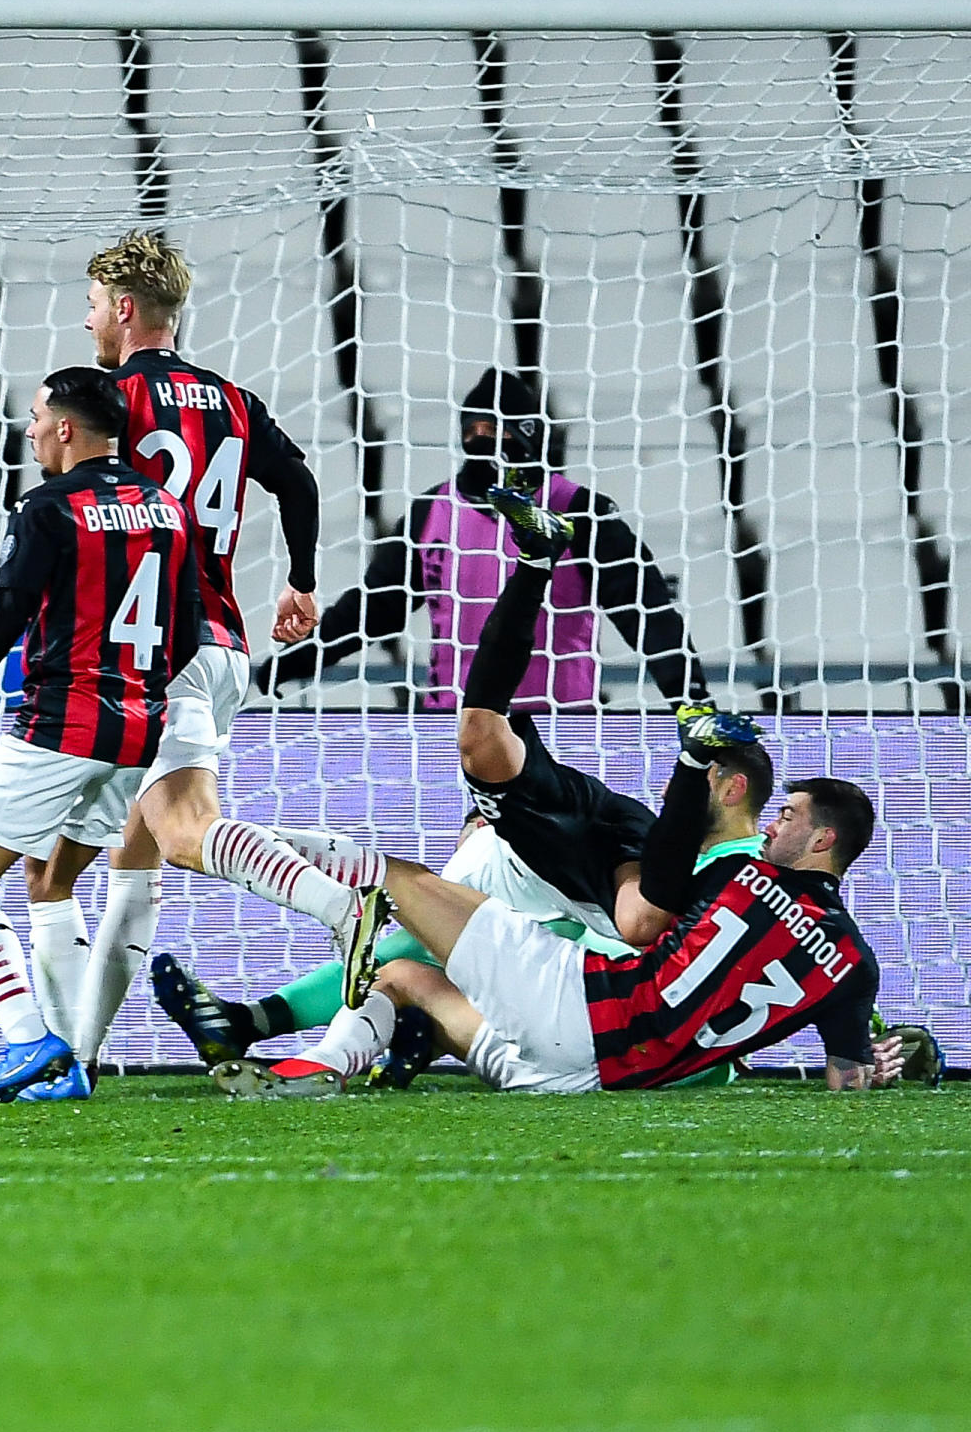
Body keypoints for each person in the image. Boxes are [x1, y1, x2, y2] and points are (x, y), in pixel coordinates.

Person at [155, 488, 763, 1081]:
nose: (784, 820)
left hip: (578, 923)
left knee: (419, 945)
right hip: (568, 880)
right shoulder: (733, 870)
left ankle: (302, 1029)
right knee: (477, 749)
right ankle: (537, 561)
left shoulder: (748, 875)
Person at [10, 233, 324, 1097]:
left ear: (123, 308)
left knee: (71, 865)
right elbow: (299, 485)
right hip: (225, 647)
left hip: (141, 657)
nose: (87, 322)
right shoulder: (233, 400)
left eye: (91, 305)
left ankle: (341, 896)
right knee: (134, 859)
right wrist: (300, 581)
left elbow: (79, 512)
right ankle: (79, 1062)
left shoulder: (108, 400)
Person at [214, 710, 894, 1097]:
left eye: (791, 817)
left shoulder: (740, 875)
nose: (775, 825)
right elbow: (849, 1076)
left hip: (585, 1010)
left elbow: (657, 885)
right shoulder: (853, 964)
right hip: (585, 1081)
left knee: (404, 880)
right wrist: (878, 1062)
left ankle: (232, 842)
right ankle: (316, 1070)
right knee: (401, 977)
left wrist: (691, 765)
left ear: (823, 839)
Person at [0, 366, 205, 1103]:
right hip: (136, 732)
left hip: (60, 725)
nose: (32, 430)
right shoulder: (168, 507)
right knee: (49, 881)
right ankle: (72, 1064)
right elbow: (188, 632)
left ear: (66, 428)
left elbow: (2, 620)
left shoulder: (47, 507)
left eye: (38, 417)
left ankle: (26, 1038)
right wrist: (133, 688)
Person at [258, 368, 702, 709]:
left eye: (495, 430)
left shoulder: (582, 512)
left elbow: (648, 615)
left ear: (528, 435)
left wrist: (691, 701)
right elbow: (373, 610)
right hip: (454, 725)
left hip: (559, 727)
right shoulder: (431, 513)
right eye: (472, 431)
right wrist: (297, 661)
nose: (482, 441)